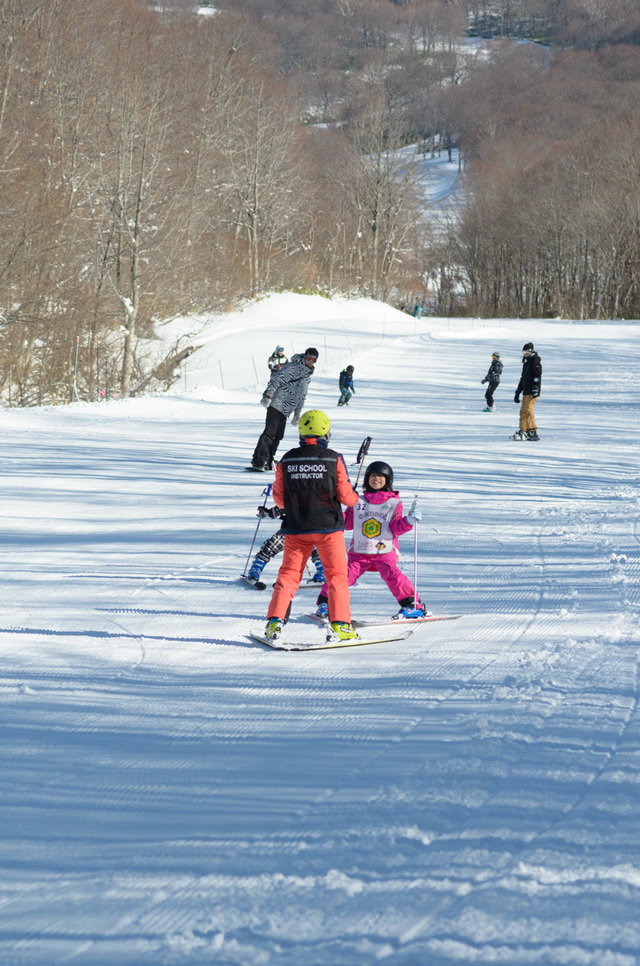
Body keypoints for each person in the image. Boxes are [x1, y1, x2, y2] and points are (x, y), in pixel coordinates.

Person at [263, 410, 359, 642]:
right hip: (328, 528)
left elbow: (279, 500)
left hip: (297, 527)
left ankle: (274, 622)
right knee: (336, 576)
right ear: (326, 432)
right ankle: (341, 626)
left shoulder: (286, 459)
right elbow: (346, 498)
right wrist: (354, 496)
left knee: (288, 576)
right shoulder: (333, 458)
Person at [314, 460, 429, 620]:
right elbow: (346, 524)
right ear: (367, 478)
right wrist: (335, 508)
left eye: (381, 477)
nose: (376, 479)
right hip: (360, 552)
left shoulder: (394, 503)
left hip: (384, 552)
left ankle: (412, 605)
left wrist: (409, 520)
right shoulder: (356, 501)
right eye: (373, 476)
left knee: (393, 576)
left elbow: (395, 527)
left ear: (388, 481)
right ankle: (326, 602)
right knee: (343, 575)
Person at [250, 347, 318, 471]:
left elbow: (302, 397)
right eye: (308, 358)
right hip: (277, 403)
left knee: (278, 435)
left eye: (313, 360)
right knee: (270, 433)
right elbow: (276, 380)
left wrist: (297, 414)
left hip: (287, 409)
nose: (310, 361)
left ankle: (269, 458)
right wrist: (268, 396)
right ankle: (259, 460)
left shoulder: (307, 377)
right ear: (304, 357)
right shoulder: (294, 367)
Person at [246, 505, 325, 587]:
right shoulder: (295, 494)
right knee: (270, 547)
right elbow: (284, 505)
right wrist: (268, 513)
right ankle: (255, 571)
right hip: (292, 527)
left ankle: (322, 572)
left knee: (316, 549)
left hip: (309, 528)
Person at [511, 342, 542, 441]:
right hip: (526, 391)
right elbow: (522, 379)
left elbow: (537, 376)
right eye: (524, 352)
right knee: (523, 412)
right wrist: (518, 392)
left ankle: (532, 431)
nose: (525, 354)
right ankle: (523, 430)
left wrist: (535, 389)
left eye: (527, 352)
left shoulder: (535, 361)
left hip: (532, 391)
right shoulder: (526, 363)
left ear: (531, 351)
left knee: (528, 410)